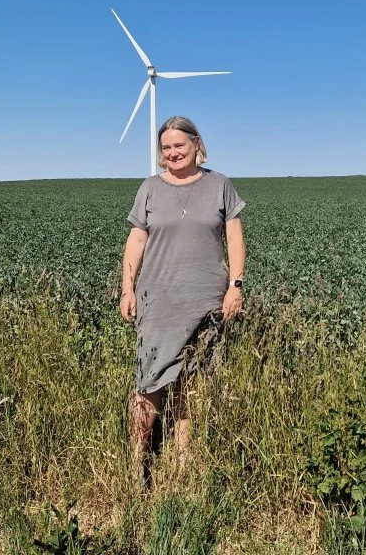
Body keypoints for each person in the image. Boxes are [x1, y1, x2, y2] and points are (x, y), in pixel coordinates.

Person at [119, 115, 246, 485]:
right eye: (166, 148)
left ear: (195, 144)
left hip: (207, 302)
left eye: (179, 145)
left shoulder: (220, 185)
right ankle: (134, 468)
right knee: (149, 382)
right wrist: (127, 288)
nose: (173, 153)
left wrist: (235, 286)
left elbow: (235, 240)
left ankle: (181, 469)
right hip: (158, 299)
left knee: (191, 386)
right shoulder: (149, 189)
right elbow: (136, 241)